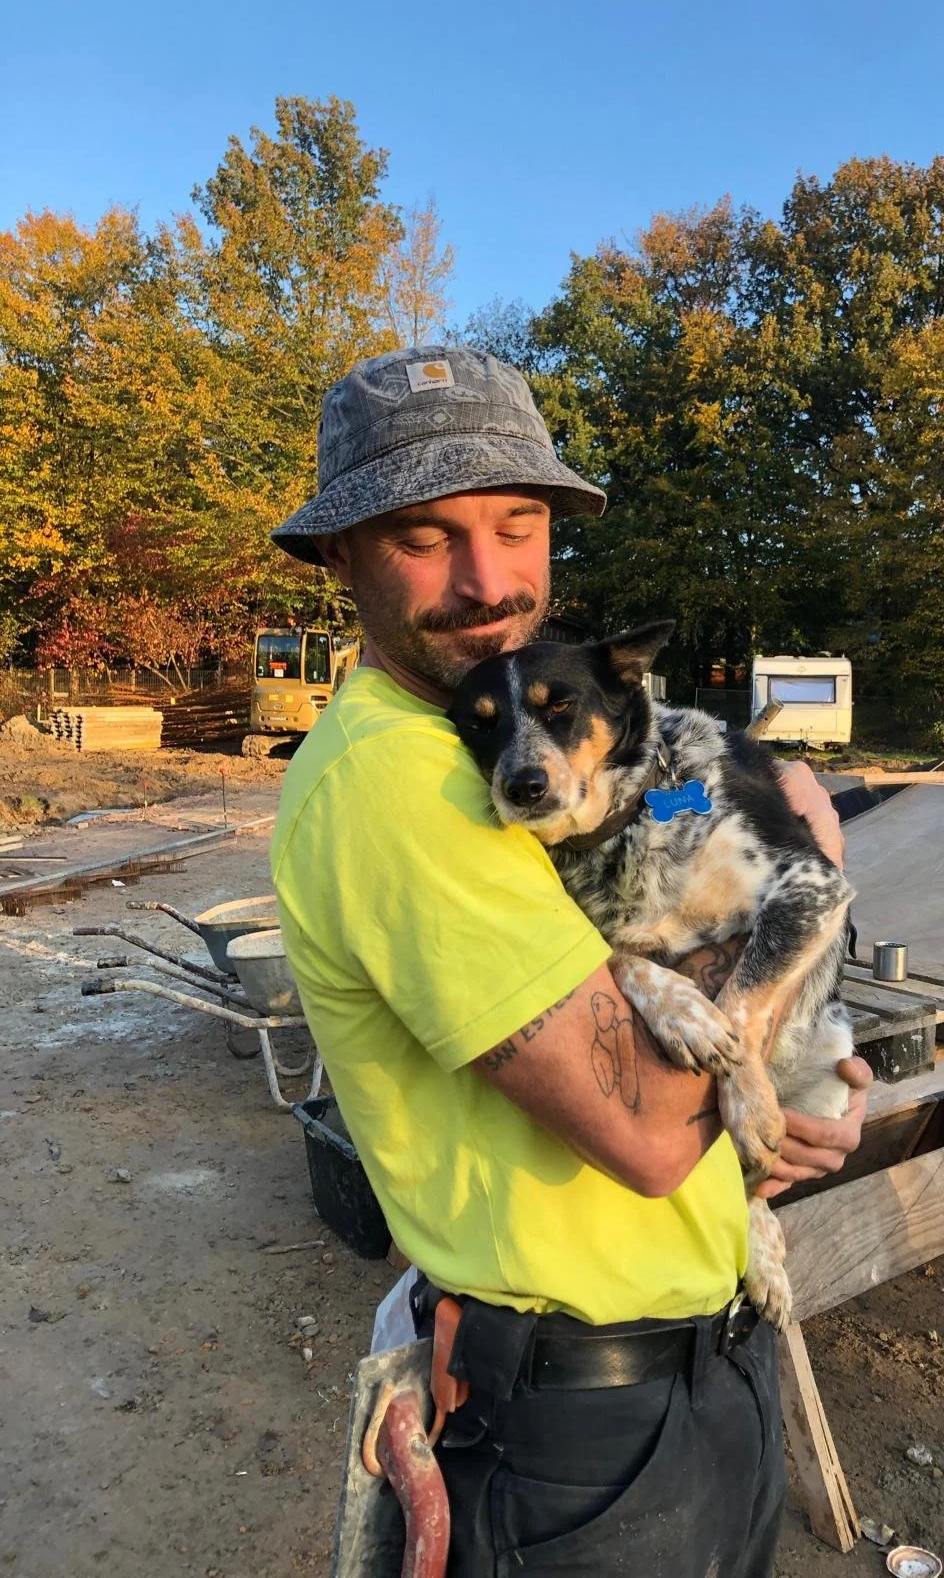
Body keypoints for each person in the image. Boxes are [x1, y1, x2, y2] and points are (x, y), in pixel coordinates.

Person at [269, 347, 871, 1576]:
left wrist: (794, 1078)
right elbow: (651, 1124)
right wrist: (802, 847)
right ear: (340, 557)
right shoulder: (407, 778)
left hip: (690, 1355)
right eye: (425, 537)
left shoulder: (473, 738)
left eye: (520, 521)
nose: (488, 580)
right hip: (574, 1429)